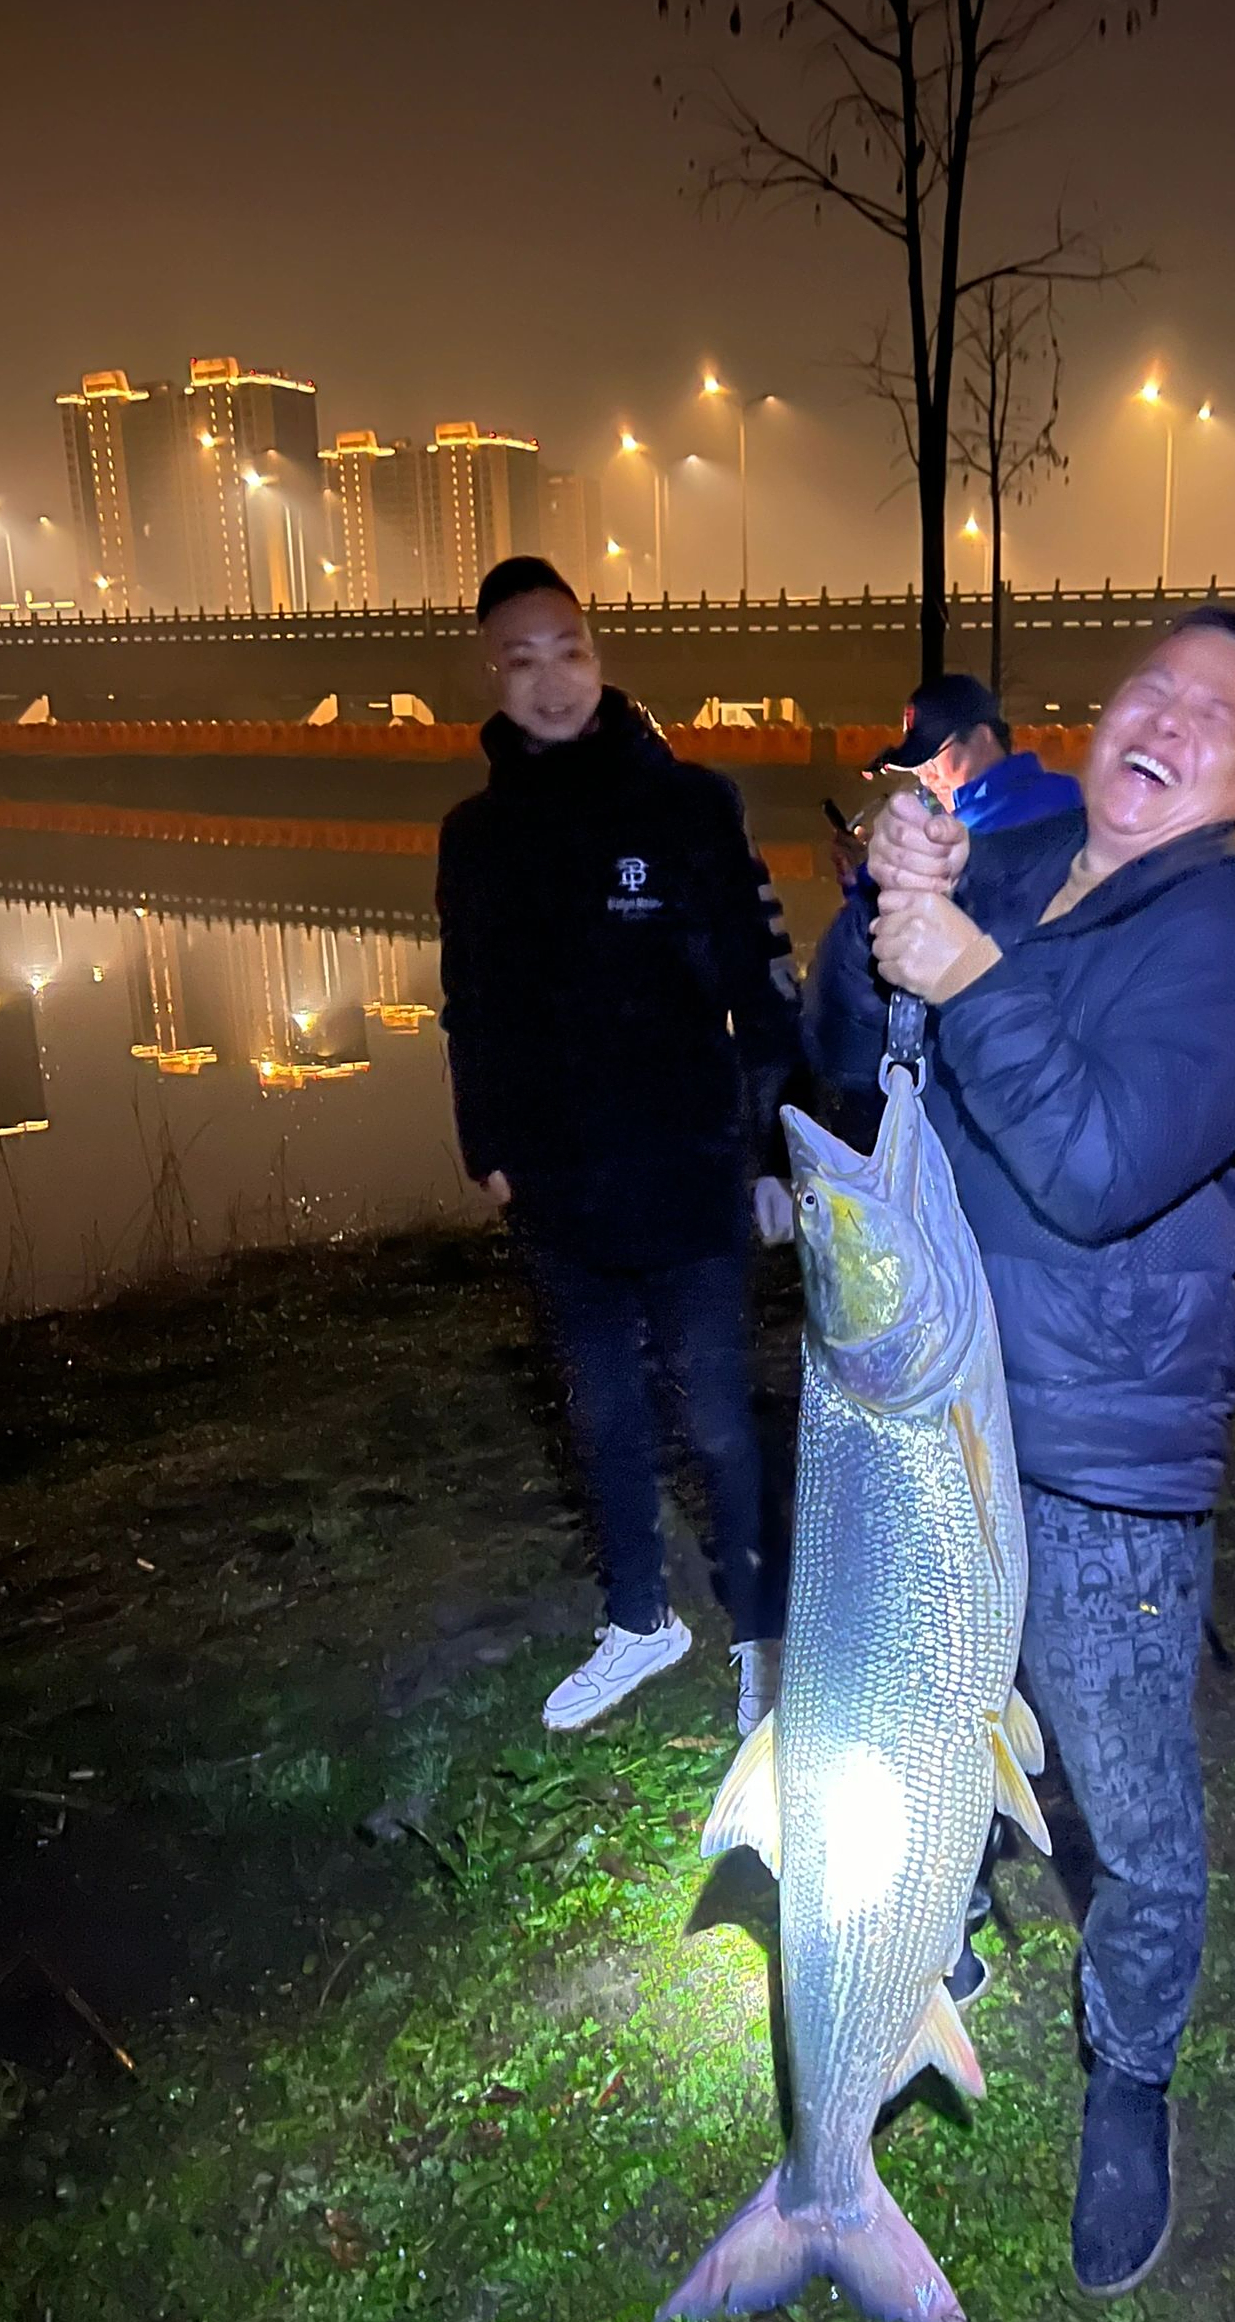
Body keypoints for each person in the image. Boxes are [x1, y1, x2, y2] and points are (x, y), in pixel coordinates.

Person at [814, 605, 1235, 2299]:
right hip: (943, 1418)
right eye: (1150, 687)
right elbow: (862, 1055)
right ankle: (920, 1941)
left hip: (1099, 1470)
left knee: (1130, 1806)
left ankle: (1136, 2069)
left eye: (1218, 714)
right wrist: (892, 898)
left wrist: (968, 973)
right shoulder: (1025, 872)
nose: (1167, 716)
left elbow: (1096, 1164)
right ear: (1098, 722)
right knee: (930, 1717)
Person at [436, 556, 803, 1736]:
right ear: (495, 671)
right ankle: (641, 1621)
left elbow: (759, 989)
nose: (551, 681)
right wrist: (485, 1144)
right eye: (522, 659)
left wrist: (768, 1153)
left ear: (599, 654)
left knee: (709, 1415)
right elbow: (471, 1004)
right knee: (602, 1414)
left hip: (689, 1162)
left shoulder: (692, 805)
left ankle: (763, 1640)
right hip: (558, 1183)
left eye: (570, 651)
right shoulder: (477, 834)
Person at [806, 675, 1081, 1149]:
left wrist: (876, 881)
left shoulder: (1018, 813)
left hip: (1011, 1054)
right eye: (919, 760)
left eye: (938, 752)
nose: (927, 770)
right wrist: (863, 881)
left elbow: (959, 894)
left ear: (985, 735)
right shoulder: (1039, 801)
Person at [871, 671, 1084, 833]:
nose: (928, 778)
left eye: (932, 759)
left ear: (982, 737)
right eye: (919, 768)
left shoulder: (983, 826)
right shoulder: (1063, 792)